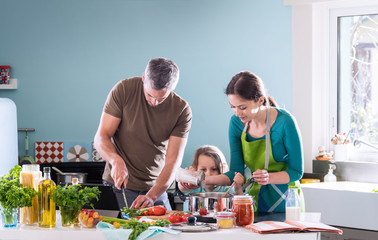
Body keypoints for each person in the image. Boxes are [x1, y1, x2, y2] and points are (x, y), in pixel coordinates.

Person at [94, 57, 192, 210]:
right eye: (150, 95)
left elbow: (173, 162)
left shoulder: (181, 110)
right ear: (144, 77)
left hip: (156, 189)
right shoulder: (124, 89)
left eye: (162, 98)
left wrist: (152, 196)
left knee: (165, 232)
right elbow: (101, 137)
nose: (154, 102)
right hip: (118, 186)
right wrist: (115, 161)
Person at [206, 71, 304, 213]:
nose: (237, 113)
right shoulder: (236, 123)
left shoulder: (285, 121)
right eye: (232, 107)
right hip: (254, 199)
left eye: (243, 107)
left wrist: (268, 178)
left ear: (260, 100)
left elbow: (296, 171)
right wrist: (202, 180)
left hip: (287, 201)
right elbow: (236, 173)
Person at [178, 145, 244, 195]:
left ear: (221, 170)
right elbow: (182, 188)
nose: (208, 174)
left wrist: (238, 188)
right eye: (203, 170)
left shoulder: (227, 189)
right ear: (195, 169)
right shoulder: (194, 188)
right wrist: (186, 179)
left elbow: (240, 201)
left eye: (214, 169)